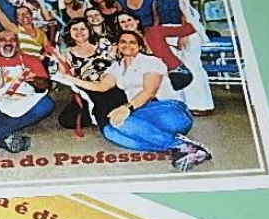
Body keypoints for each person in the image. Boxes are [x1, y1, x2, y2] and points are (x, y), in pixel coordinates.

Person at [58, 31, 212, 172]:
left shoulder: (151, 61)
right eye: (123, 42)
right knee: (110, 132)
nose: (127, 45)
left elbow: (149, 91)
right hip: (142, 117)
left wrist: (127, 108)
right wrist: (69, 78)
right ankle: (178, 146)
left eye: (132, 42)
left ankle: (179, 146)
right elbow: (101, 86)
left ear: (140, 46)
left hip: (170, 112)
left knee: (121, 122)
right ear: (118, 46)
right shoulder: (116, 67)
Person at [0, 29, 55, 153]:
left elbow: (45, 85)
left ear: (17, 44)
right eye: (3, 40)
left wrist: (34, 80)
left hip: (24, 102)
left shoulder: (31, 60)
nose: (8, 43)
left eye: (12, 40)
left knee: (47, 104)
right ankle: (1, 134)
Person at [149, 0, 214, 115]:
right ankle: (181, 103)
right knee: (175, 69)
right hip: (166, 34)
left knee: (192, 67)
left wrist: (183, 35)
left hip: (185, 32)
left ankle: (201, 105)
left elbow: (188, 16)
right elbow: (157, 20)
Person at [54, 17, 125, 132]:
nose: (79, 32)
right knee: (66, 120)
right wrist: (59, 59)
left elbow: (117, 60)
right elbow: (64, 76)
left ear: (89, 30)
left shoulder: (103, 43)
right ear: (69, 32)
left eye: (83, 29)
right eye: (75, 29)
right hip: (87, 89)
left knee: (105, 109)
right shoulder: (67, 53)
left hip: (110, 85)